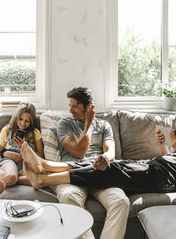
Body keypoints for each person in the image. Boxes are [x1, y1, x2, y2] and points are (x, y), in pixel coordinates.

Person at [21, 112, 176, 197]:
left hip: (164, 178)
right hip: (157, 165)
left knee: (106, 168)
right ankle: (46, 166)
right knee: (101, 161)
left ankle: (43, 178)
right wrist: (166, 148)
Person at [27, 87, 129, 239]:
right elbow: (79, 152)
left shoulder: (104, 126)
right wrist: (89, 124)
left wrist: (105, 158)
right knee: (68, 196)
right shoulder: (65, 124)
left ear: (88, 107)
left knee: (121, 201)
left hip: (98, 174)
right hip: (72, 176)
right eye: (70, 106)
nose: (71, 110)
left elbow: (110, 152)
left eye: (75, 106)